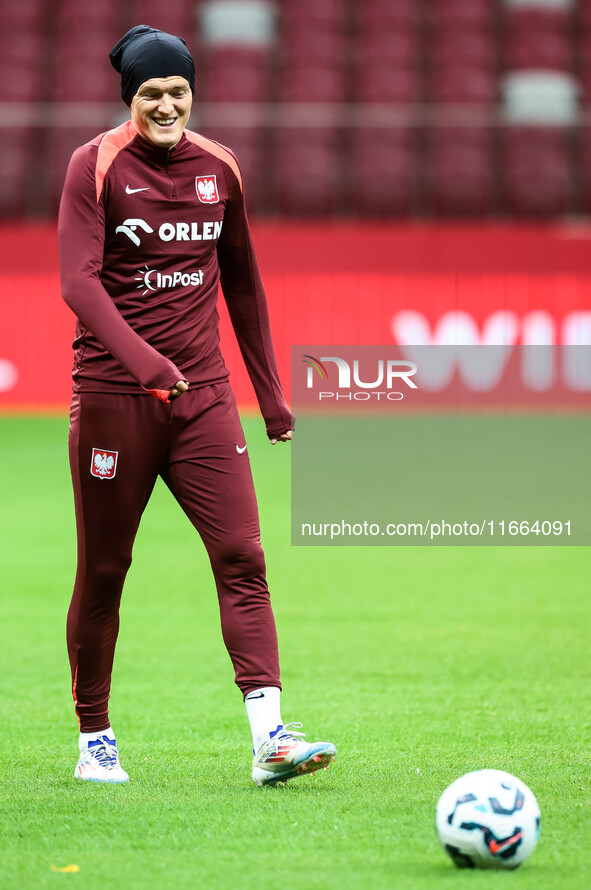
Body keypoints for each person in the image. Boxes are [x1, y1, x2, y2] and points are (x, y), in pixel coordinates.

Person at [58, 24, 336, 786]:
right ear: (130, 99)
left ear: (192, 93)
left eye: (178, 91)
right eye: (151, 94)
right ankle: (94, 737)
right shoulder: (96, 165)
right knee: (107, 569)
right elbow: (79, 283)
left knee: (242, 556)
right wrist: (146, 364)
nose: (166, 105)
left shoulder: (222, 168)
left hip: (204, 399)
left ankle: (269, 734)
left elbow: (243, 282)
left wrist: (270, 394)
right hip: (117, 397)